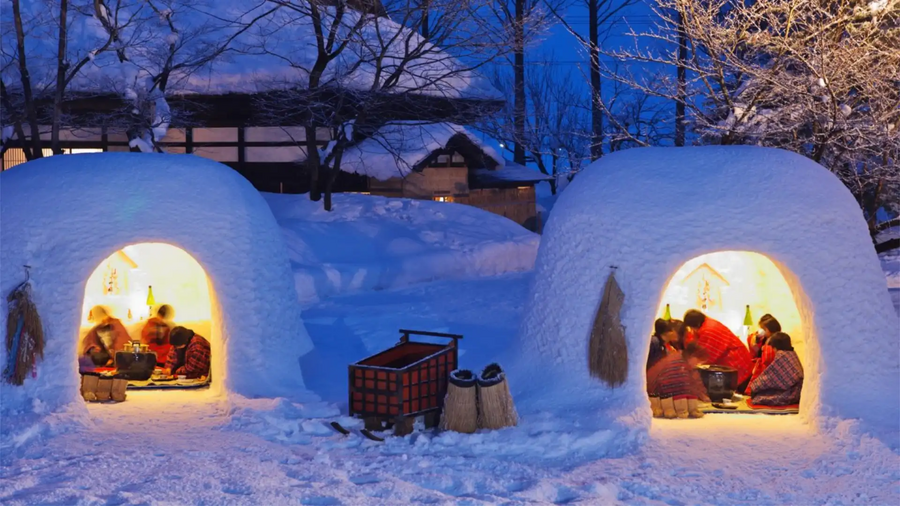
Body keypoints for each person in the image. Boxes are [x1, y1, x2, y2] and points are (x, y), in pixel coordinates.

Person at [682, 309, 754, 392]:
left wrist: (690, 365)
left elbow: (707, 354)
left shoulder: (709, 329)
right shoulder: (707, 322)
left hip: (735, 360)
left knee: (739, 391)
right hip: (735, 358)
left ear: (696, 324)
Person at [647, 341, 710, 419]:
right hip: (654, 400)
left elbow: (695, 380)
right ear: (692, 356)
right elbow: (676, 389)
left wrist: (703, 395)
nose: (699, 364)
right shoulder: (676, 365)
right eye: (699, 361)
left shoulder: (684, 360)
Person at [748, 332, 803, 406]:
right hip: (797, 390)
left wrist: (755, 385)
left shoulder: (781, 355)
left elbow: (771, 376)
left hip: (791, 391)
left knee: (759, 396)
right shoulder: (791, 353)